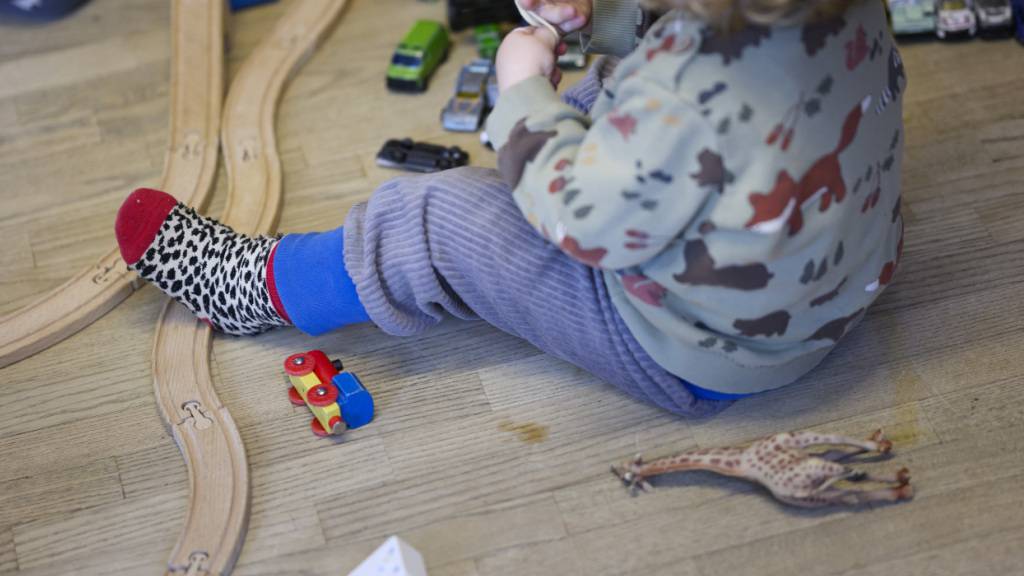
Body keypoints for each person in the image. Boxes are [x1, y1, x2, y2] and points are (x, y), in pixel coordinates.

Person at [113, 0, 905, 417]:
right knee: (603, 101)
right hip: (830, 290)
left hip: (706, 353)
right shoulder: (836, 7)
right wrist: (605, 22)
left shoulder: (682, 93)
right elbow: (706, 47)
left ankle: (260, 287)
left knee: (434, 222)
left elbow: (581, 218)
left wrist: (521, 88)